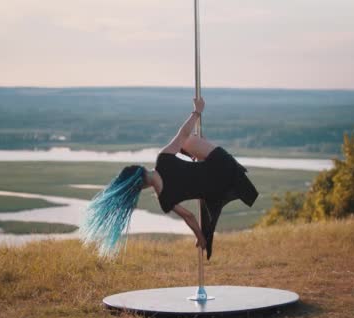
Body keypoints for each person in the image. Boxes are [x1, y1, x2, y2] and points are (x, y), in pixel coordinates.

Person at [80, 98, 258, 258]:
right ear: (140, 169)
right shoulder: (163, 159)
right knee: (188, 141)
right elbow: (182, 134)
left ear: (141, 188)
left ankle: (200, 156)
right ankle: (201, 152)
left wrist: (200, 237)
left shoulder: (164, 199)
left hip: (217, 190)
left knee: (190, 144)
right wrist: (197, 111)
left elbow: (189, 217)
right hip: (225, 168)